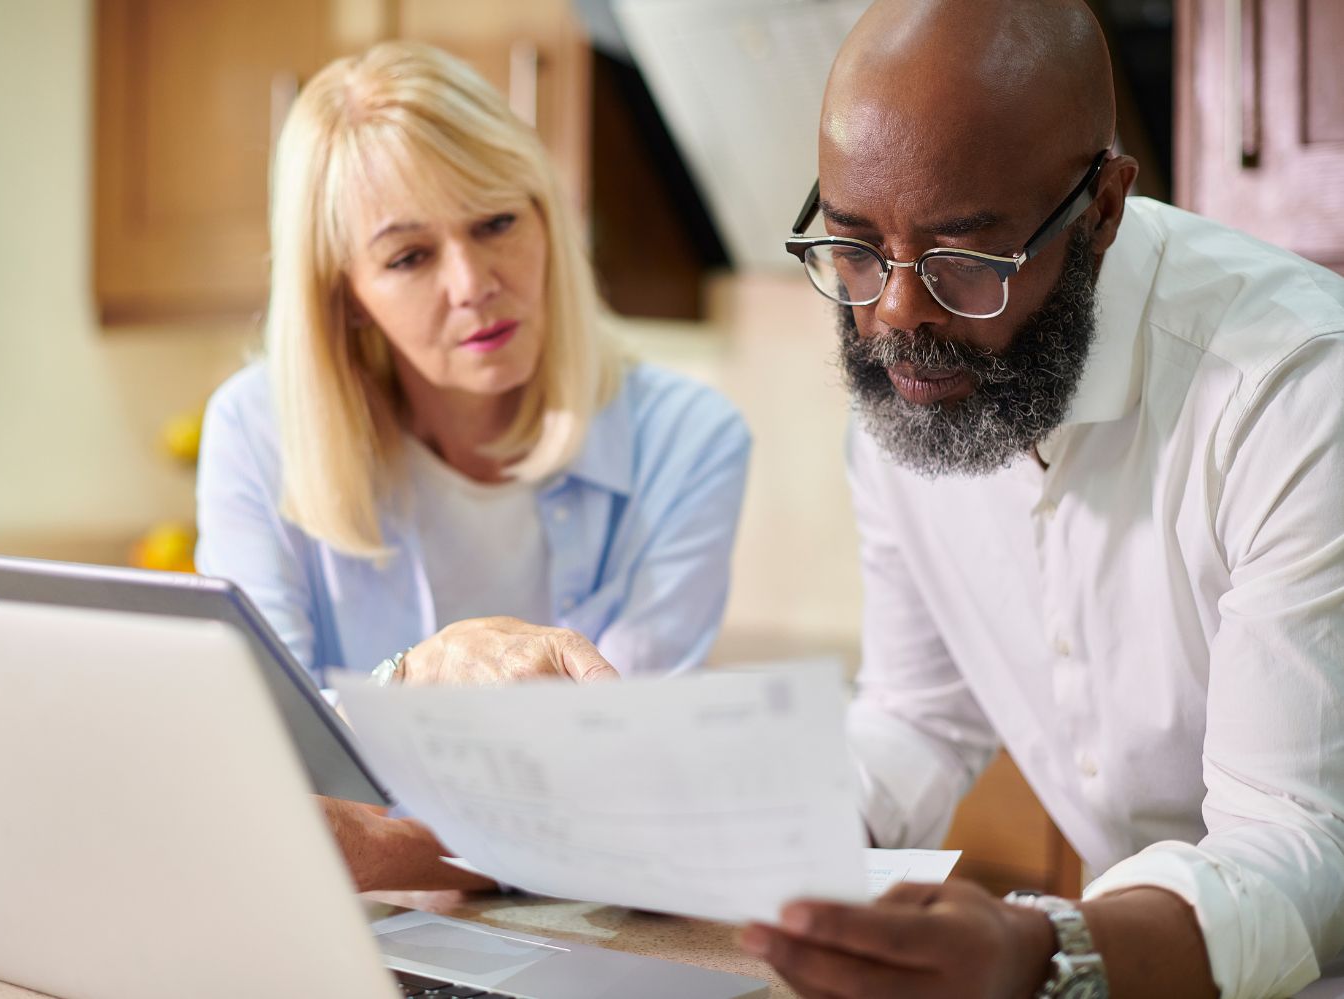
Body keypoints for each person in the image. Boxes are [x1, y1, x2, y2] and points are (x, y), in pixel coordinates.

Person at [461, 1, 1344, 995]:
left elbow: (1301, 845)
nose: (895, 315)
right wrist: (721, 839)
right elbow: (919, 718)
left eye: (966, 261)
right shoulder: (913, 396)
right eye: (854, 248)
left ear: (1100, 209)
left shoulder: (1295, 391)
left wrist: (1042, 953)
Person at [194, 42, 750, 887]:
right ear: (346, 294)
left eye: (496, 222)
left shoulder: (689, 441)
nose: (473, 282)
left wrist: (379, 846)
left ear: (545, 216)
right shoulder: (257, 429)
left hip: (590, 927)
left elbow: (622, 785)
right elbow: (255, 749)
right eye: (409, 256)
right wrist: (418, 673)